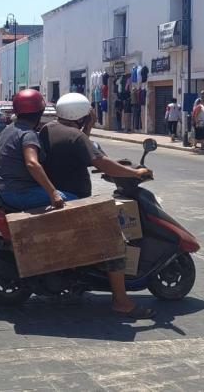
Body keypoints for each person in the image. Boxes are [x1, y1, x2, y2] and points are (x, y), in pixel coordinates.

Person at [39, 93, 155, 319]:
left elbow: (77, 147)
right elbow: (102, 163)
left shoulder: (50, 129)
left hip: (62, 195)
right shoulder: (75, 136)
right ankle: (121, 302)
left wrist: (87, 127)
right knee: (114, 239)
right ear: (82, 115)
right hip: (73, 199)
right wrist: (135, 173)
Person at [0, 89, 67, 210]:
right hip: (18, 192)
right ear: (39, 113)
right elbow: (32, 163)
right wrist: (53, 193)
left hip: (0, 190)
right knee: (74, 199)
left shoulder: (8, 130)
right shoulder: (28, 134)